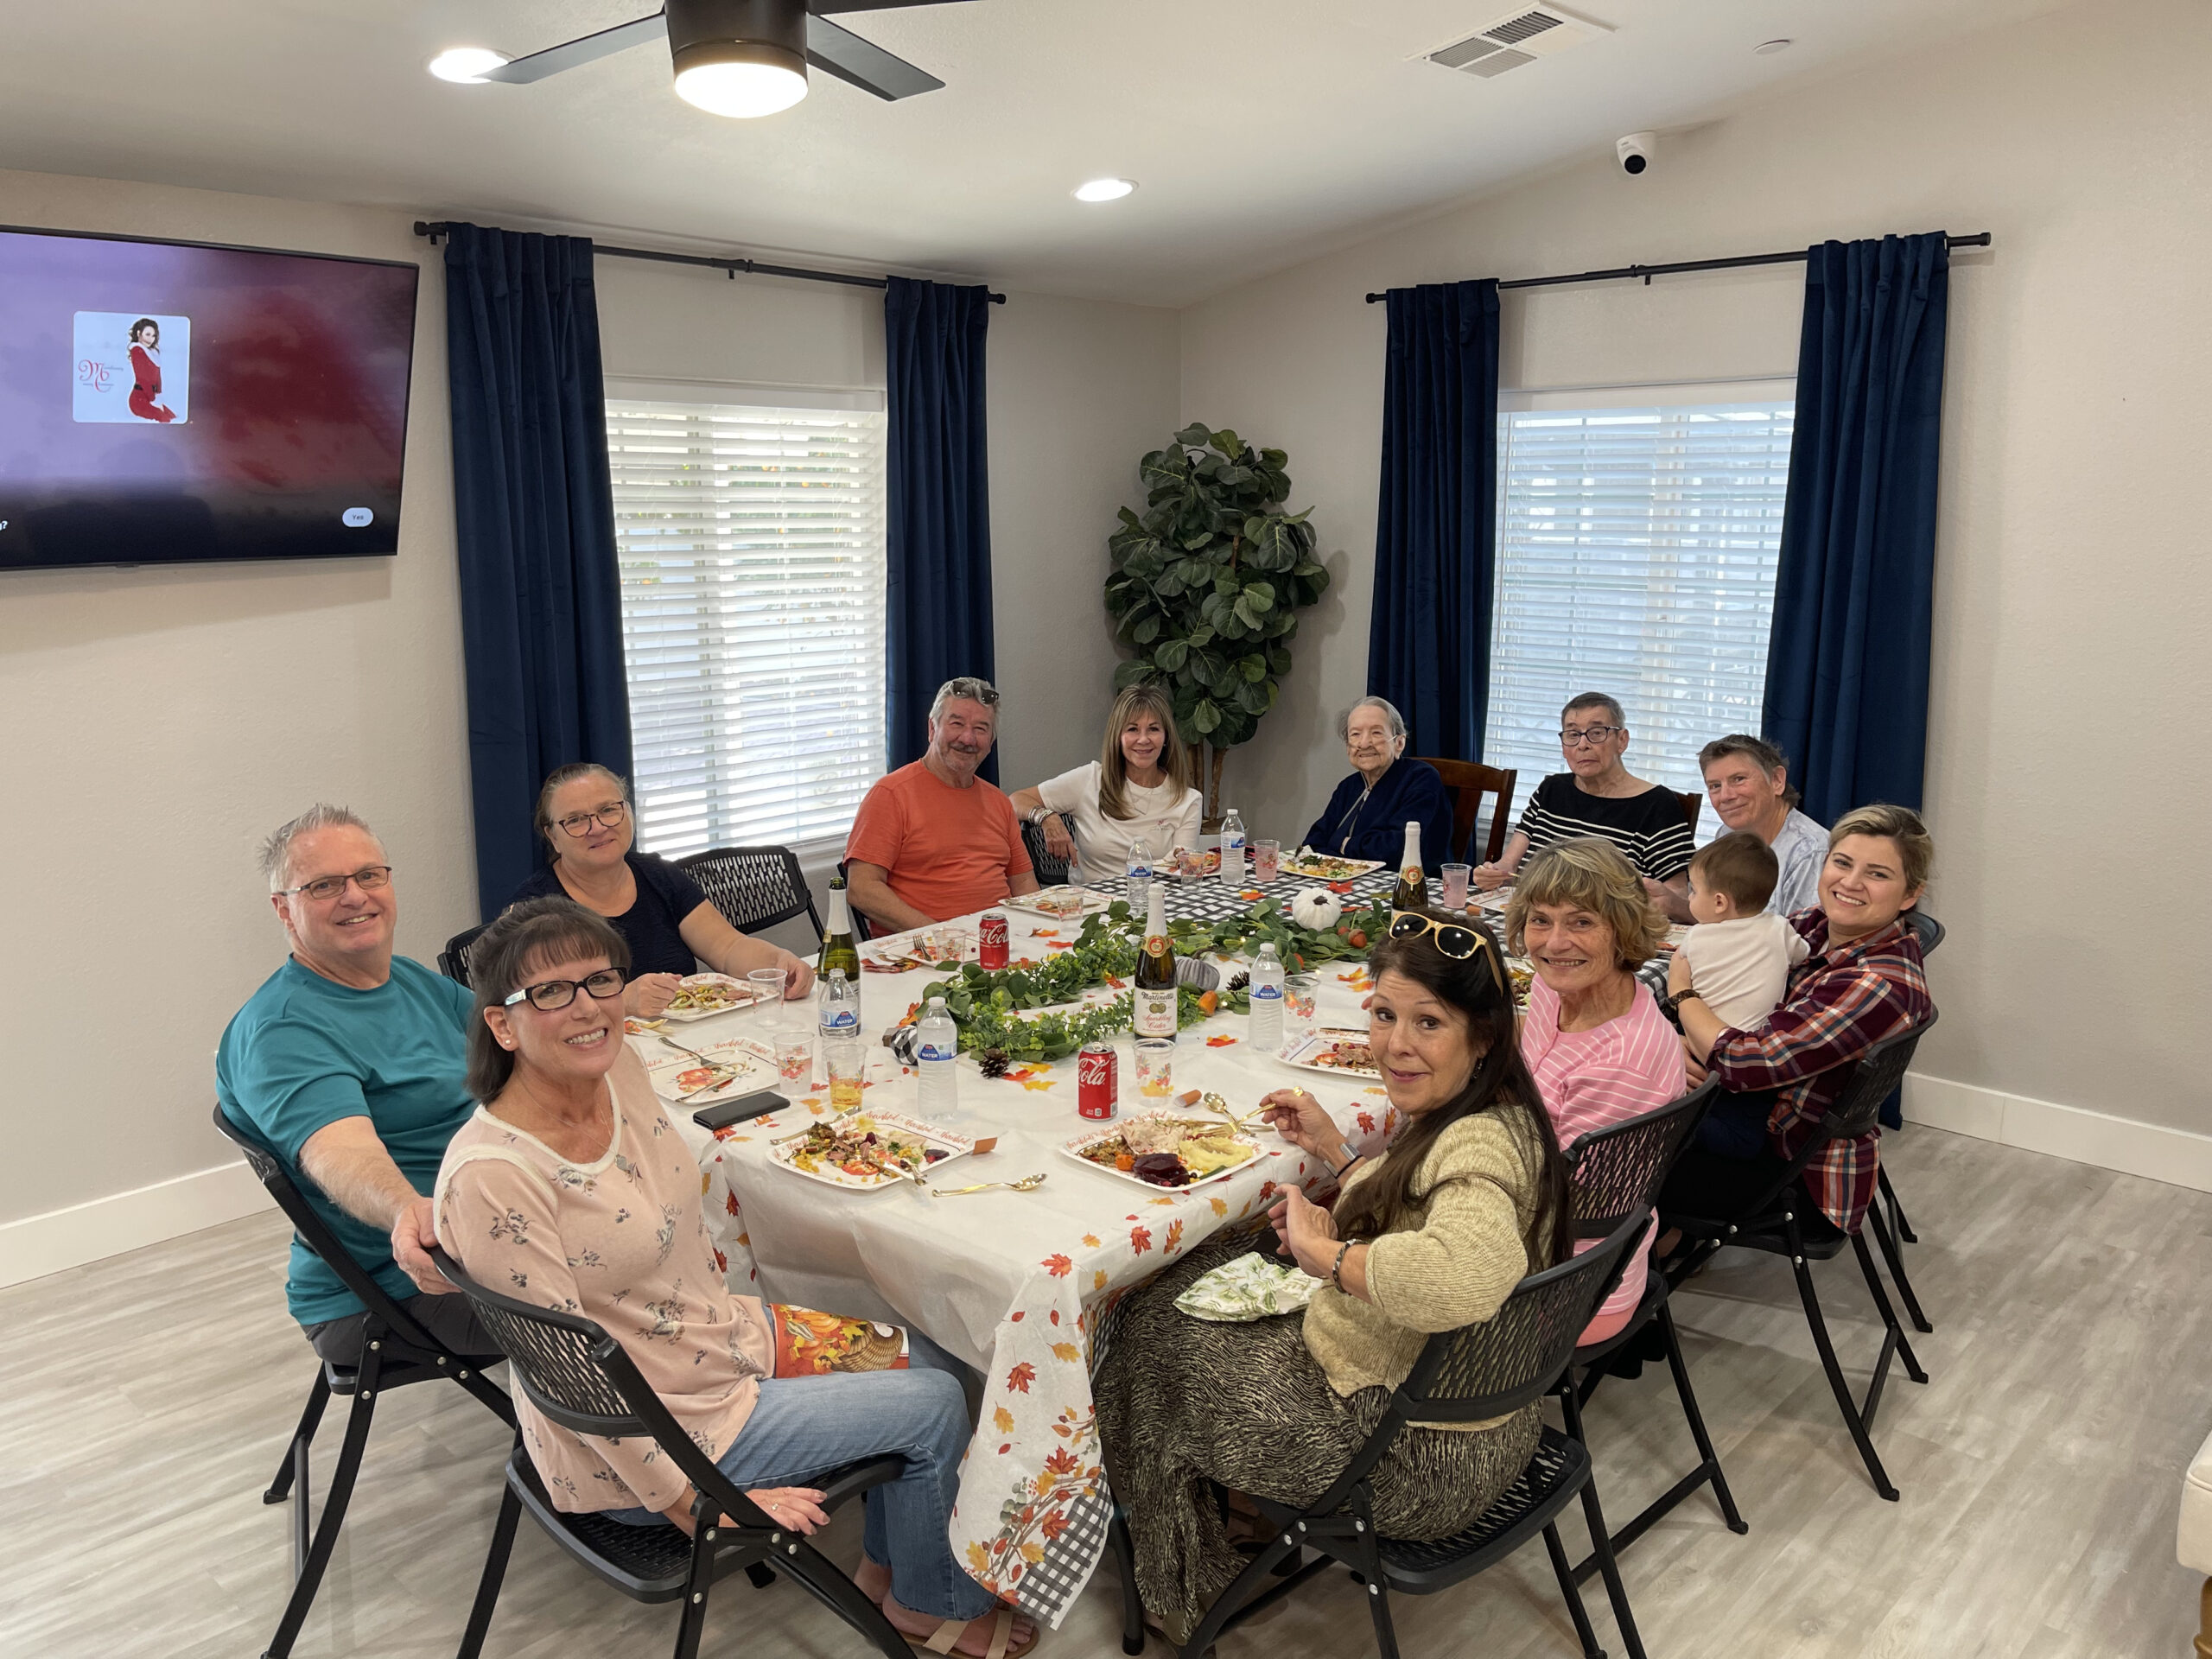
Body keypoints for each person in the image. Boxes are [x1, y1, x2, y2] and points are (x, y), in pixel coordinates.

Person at [434, 899, 1039, 1659]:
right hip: (662, 1435)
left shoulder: (617, 1069)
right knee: (933, 1405)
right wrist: (695, 1504)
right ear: (501, 1024)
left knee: (937, 1356)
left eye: (600, 980)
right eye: (551, 992)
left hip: (716, 1341)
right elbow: (576, 1382)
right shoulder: (496, 1177)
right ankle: (932, 1604)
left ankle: (892, 1574)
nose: (587, 1008)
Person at [1094, 913, 1573, 1643]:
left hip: (1416, 1465)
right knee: (1208, 1269)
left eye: (1428, 1023)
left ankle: (1181, 1587)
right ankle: (1241, 1517)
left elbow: (1463, 1276)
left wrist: (1329, 1256)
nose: (1396, 1044)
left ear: (1483, 1036)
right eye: (1383, 1015)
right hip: (1476, 1420)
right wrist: (1339, 1155)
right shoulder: (1494, 1111)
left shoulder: (1481, 1147)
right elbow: (1417, 1209)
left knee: (1146, 1327)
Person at [216, 804, 499, 1367]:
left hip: (490, 1227)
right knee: (623, 1290)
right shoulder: (284, 1031)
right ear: (284, 908)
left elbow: (517, 1045)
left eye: (369, 875)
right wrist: (405, 1210)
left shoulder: (409, 980)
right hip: (401, 1284)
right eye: (324, 885)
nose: (355, 896)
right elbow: (340, 1154)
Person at [1657, 804, 1936, 1243]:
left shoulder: (1876, 984)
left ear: (1909, 895)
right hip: (1753, 1118)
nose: (1850, 882)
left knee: (1603, 1149)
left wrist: (1681, 993)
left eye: (1877, 874)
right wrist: (1675, 1039)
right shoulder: (1815, 926)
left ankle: (1620, 1265)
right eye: (1842, 862)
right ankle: (1654, 1248)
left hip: (1790, 1173)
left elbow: (1743, 1065)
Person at [1503, 840, 1686, 1344]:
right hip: (1540, 1235)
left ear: (1622, 928)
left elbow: (1563, 1203)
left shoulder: (1622, 1064)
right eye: (1540, 920)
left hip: (1566, 1284)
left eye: (1581, 922)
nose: (1555, 942)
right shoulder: (1557, 987)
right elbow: (1530, 1050)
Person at [505, 763, 813, 1018]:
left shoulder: (659, 874)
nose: (597, 827)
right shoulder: (534, 909)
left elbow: (728, 947)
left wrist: (778, 963)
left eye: (608, 810)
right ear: (553, 836)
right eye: (575, 820)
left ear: (628, 811)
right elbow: (534, 1009)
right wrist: (622, 1001)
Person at [1471, 693, 1695, 919]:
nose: (1583, 745)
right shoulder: (1551, 790)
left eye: (1597, 733)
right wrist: (1493, 874)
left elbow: (1676, 899)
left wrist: (1661, 903)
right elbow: (1508, 867)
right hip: (1534, 918)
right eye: (1573, 735)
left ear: (1622, 740)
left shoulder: (1657, 805)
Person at [846, 677, 1039, 931]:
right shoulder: (890, 795)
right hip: (922, 946)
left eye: (981, 729)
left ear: (991, 742)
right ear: (932, 728)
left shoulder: (999, 802)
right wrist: (942, 935)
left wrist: (1037, 935)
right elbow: (861, 889)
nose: (968, 738)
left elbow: (1024, 885)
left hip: (999, 942)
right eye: (956, 723)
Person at [1008, 683, 1202, 876]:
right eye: (1133, 729)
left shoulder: (1188, 800)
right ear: (1117, 736)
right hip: (1089, 895)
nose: (1143, 739)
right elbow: (1015, 801)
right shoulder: (1089, 779)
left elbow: (1182, 874)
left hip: (1154, 893)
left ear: (1166, 737)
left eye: (1153, 729)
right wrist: (1046, 817)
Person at [1300, 696, 1455, 864]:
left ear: (1399, 743)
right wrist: (1349, 846)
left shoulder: (1421, 779)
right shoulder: (1348, 786)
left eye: (1376, 733)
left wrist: (1344, 844)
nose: (1364, 743)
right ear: (1348, 747)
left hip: (1406, 879)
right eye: (1355, 734)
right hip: (1344, 877)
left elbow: (1396, 848)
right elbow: (1312, 844)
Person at [1699, 734, 1828, 916]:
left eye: (1739, 779)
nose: (1726, 796)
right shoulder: (1727, 834)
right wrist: (1674, 903)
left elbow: (1801, 932)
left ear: (1777, 780)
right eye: (1715, 786)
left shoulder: (1811, 851)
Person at [127, 317, 176, 423]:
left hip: (152, 397)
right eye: (148, 334)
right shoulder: (137, 350)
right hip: (139, 399)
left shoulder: (153, 353)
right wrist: (153, 400)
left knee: (172, 417)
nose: (151, 339)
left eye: (153, 336)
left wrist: (158, 395)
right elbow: (143, 379)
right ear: (139, 333)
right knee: (164, 419)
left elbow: (157, 377)